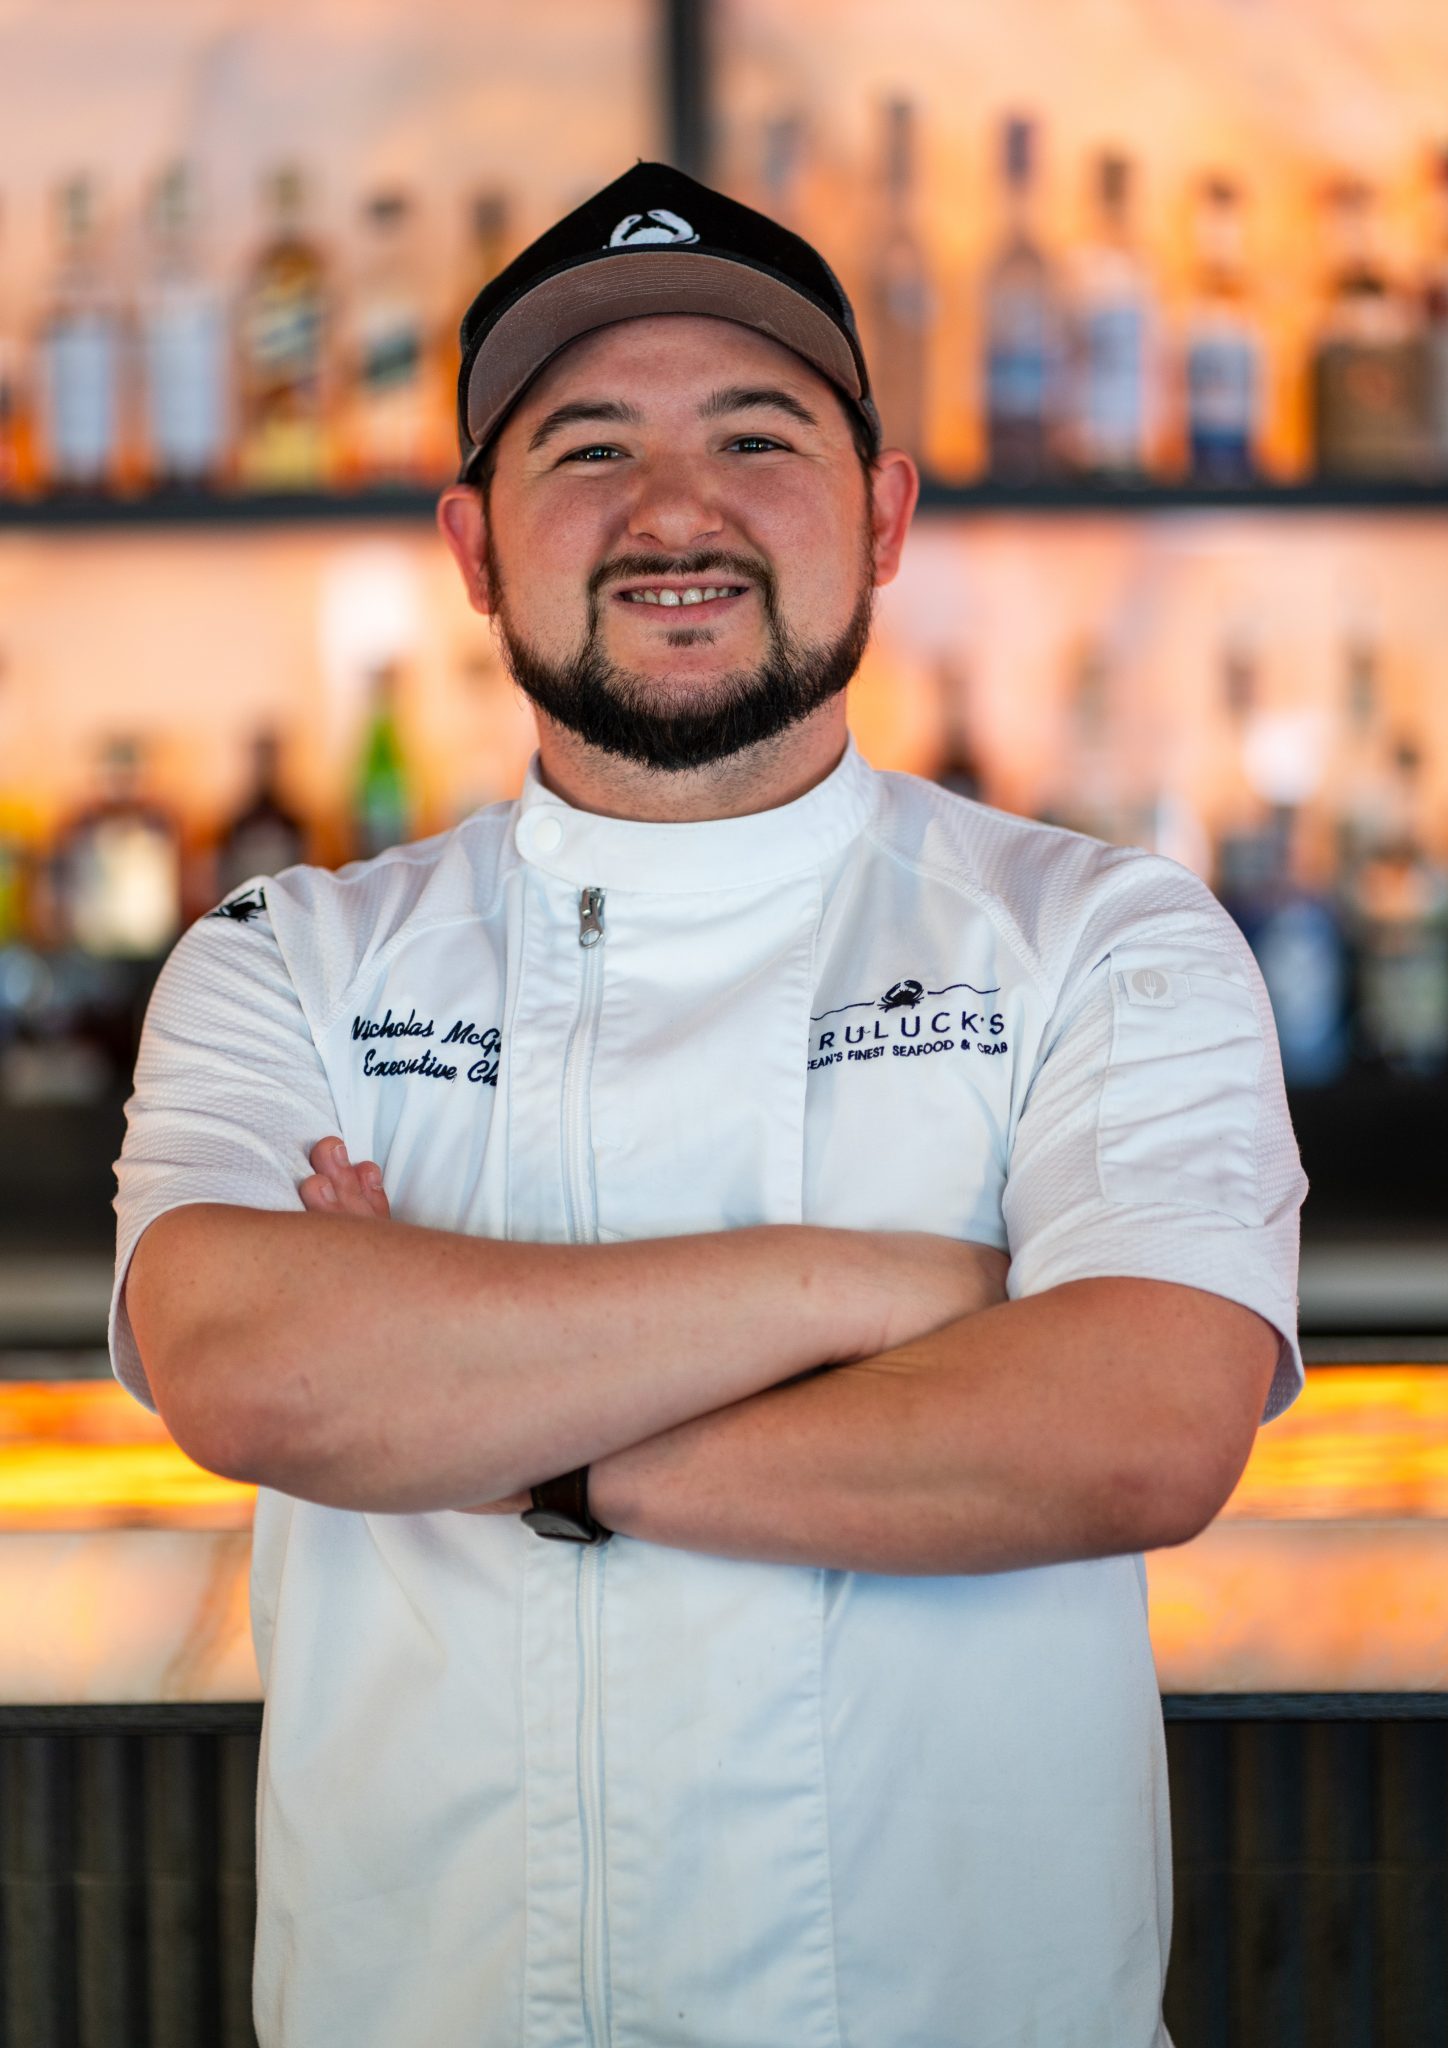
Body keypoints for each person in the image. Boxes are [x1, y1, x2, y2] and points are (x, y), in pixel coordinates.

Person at [112, 161, 1306, 2048]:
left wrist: (520, 1453)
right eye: (588, 449)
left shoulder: (1104, 938)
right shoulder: (293, 960)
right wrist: (902, 1291)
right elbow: (254, 1375)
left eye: (759, 437)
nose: (679, 508)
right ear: (475, 545)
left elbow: (1137, 1433)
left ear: (886, 516)